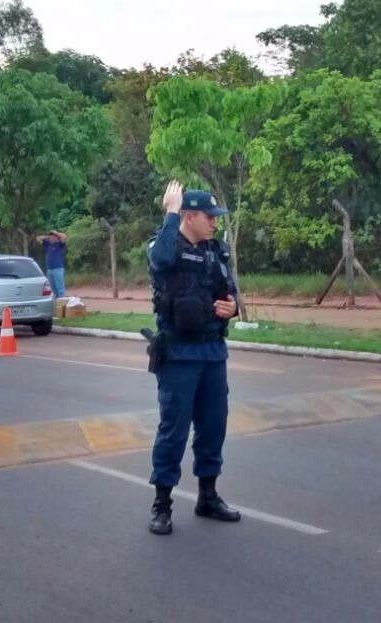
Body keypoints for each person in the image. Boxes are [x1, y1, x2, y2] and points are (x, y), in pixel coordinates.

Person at [144, 180, 241, 536]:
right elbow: (162, 259)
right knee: (173, 430)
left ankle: (208, 496)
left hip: (213, 351)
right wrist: (169, 213)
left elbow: (230, 293)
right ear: (188, 215)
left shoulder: (218, 250)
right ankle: (162, 503)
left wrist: (232, 309)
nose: (215, 222)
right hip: (179, 353)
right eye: (209, 216)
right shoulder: (164, 245)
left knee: (213, 425)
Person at [37, 230, 69, 298]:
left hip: (58, 269)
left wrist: (56, 233)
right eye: (51, 237)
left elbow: (64, 237)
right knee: (52, 289)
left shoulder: (60, 244)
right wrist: (48, 237)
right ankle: (55, 303)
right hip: (49, 270)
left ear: (57, 238)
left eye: (53, 237)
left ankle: (62, 302)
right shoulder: (48, 244)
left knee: (60, 288)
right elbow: (38, 239)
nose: (51, 238)